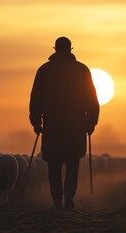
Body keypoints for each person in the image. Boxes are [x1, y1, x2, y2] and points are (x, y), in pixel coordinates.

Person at [29, 37, 100, 209]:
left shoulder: (44, 70)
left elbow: (36, 98)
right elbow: (92, 99)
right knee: (72, 163)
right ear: (70, 49)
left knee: (53, 164)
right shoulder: (82, 70)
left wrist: (36, 122)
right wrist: (91, 123)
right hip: (75, 126)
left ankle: (57, 199)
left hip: (53, 126)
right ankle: (69, 196)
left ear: (55, 49)